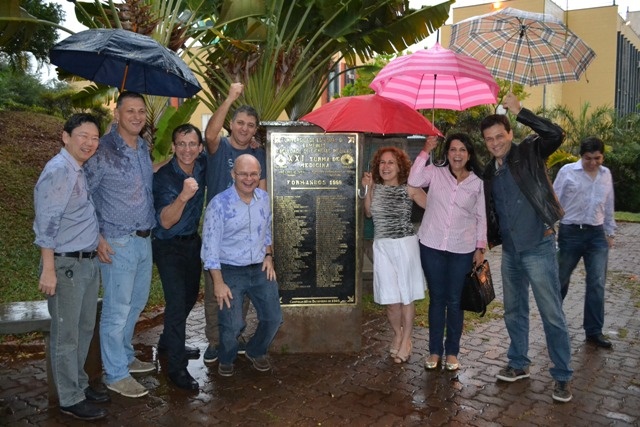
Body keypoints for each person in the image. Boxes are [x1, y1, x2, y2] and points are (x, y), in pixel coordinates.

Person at [481, 93, 573, 403]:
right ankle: (519, 363)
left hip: (539, 246)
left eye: (499, 136)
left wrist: (520, 111)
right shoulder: (488, 171)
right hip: (511, 252)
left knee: (551, 313)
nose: (495, 143)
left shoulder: (530, 152)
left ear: (510, 133)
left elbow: (556, 134)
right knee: (514, 311)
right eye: (489, 139)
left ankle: (562, 375)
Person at [33, 113, 109, 420]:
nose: (89, 143)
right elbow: (46, 224)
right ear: (65, 137)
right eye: (83, 136)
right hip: (66, 266)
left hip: (86, 262)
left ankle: (78, 383)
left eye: (94, 138)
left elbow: (78, 215)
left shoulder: (77, 170)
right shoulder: (59, 171)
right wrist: (48, 269)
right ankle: (69, 397)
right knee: (67, 334)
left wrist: (99, 238)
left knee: (83, 329)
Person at [84, 91, 156, 398]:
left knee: (136, 303)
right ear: (117, 114)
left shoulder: (143, 147)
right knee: (116, 310)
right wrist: (96, 236)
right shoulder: (102, 151)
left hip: (143, 240)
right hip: (116, 241)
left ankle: (125, 355)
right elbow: (83, 194)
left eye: (141, 111)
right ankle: (115, 373)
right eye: (130, 111)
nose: (137, 116)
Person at [408, 133, 487, 372]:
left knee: (454, 301)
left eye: (462, 150)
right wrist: (425, 150)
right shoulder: (435, 172)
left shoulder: (477, 181)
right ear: (447, 153)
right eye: (453, 149)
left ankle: (452, 352)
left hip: (461, 249)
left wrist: (480, 247)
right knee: (437, 299)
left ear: (469, 154)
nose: (457, 154)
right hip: (431, 245)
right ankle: (434, 351)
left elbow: (481, 215)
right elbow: (414, 180)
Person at [201, 82, 267, 364]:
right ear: (232, 124)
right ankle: (216, 341)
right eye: (240, 123)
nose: (245, 128)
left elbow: (261, 193)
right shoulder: (220, 147)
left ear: (255, 130)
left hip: (247, 234)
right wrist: (230, 97)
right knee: (215, 292)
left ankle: (236, 334)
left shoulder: (257, 153)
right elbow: (209, 133)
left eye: (250, 125)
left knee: (241, 292)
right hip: (219, 231)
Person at [201, 154, 283, 377]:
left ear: (259, 176)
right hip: (230, 270)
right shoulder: (219, 204)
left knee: (274, 317)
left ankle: (256, 350)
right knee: (233, 324)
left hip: (259, 268)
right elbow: (209, 247)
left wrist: (268, 256)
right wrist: (218, 282)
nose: (249, 178)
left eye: (253, 174)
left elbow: (267, 231)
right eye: (243, 174)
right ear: (233, 175)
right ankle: (227, 357)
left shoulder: (264, 199)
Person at [152, 124, 207, 390]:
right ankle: (176, 369)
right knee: (176, 304)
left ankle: (167, 342)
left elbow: (219, 139)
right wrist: (184, 196)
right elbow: (164, 221)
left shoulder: (201, 164)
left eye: (192, 144)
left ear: (199, 148)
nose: (187, 149)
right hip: (168, 246)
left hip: (192, 244)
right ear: (173, 147)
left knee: (189, 297)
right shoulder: (164, 177)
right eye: (181, 144)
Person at [362, 147, 427, 364]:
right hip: (382, 247)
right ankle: (398, 335)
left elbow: (435, 207)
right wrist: (368, 189)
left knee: (406, 297)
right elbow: (369, 213)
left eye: (391, 162)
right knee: (391, 300)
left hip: (405, 247)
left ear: (400, 166)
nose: (386, 166)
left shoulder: (410, 188)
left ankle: (407, 339)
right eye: (382, 162)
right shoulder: (375, 187)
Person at [554, 136, 616, 349]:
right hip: (570, 233)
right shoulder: (567, 172)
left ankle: (594, 331)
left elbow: (608, 205)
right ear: (581, 156)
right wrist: (549, 227)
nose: (592, 162)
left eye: (597, 158)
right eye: (588, 158)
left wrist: (610, 232)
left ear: (602, 156)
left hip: (596, 235)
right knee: (560, 281)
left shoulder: (606, 175)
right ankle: (553, 325)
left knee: (597, 284)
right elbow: (554, 201)